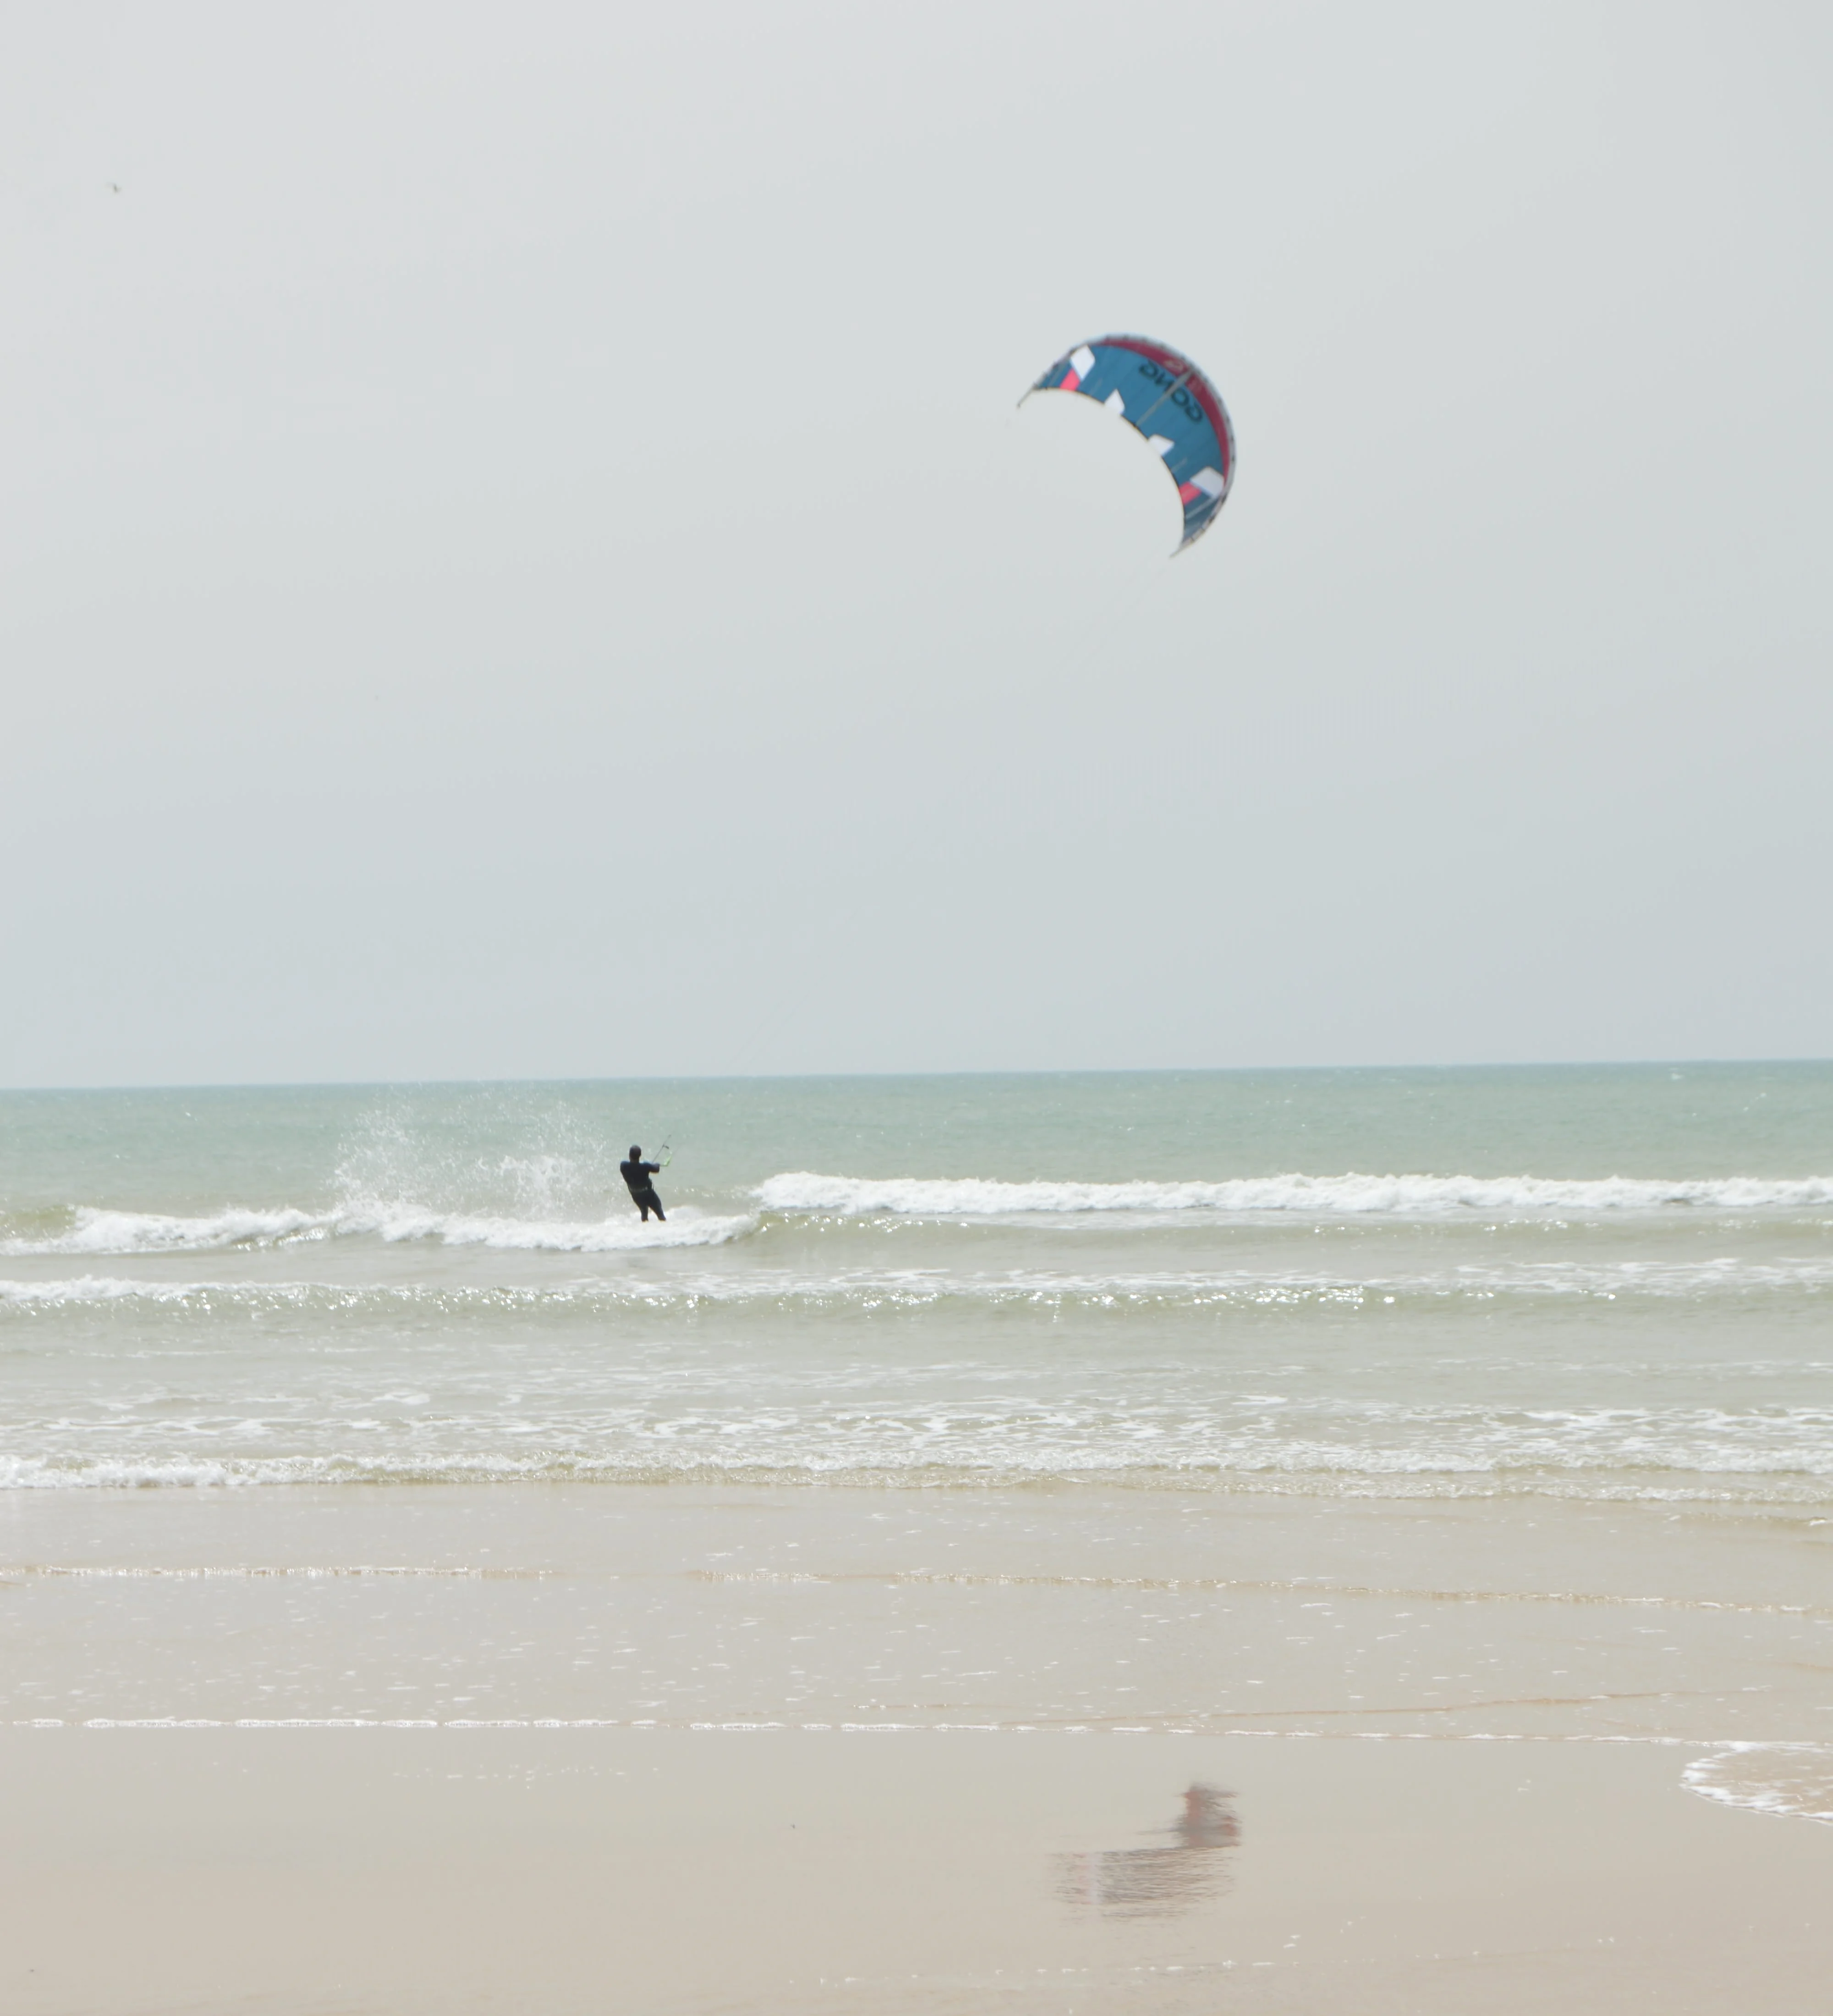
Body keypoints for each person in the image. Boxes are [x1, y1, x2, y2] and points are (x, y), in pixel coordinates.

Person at [620, 1145, 665, 1222]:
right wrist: (657, 1164)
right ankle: (664, 1226)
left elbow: (636, 1168)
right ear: (640, 1156)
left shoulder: (624, 1166)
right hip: (648, 1194)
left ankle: (645, 1227)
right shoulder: (645, 1166)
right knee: (660, 1213)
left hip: (636, 1195)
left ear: (629, 1155)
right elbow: (656, 1170)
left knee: (644, 1212)